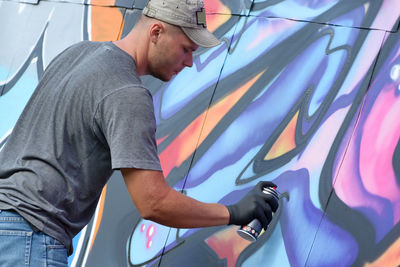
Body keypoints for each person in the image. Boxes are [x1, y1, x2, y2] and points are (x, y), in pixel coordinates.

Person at [0, 0, 279, 265]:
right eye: (186, 48)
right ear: (156, 32)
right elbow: (153, 202)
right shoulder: (127, 93)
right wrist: (232, 213)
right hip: (31, 237)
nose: (190, 62)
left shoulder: (77, 54)